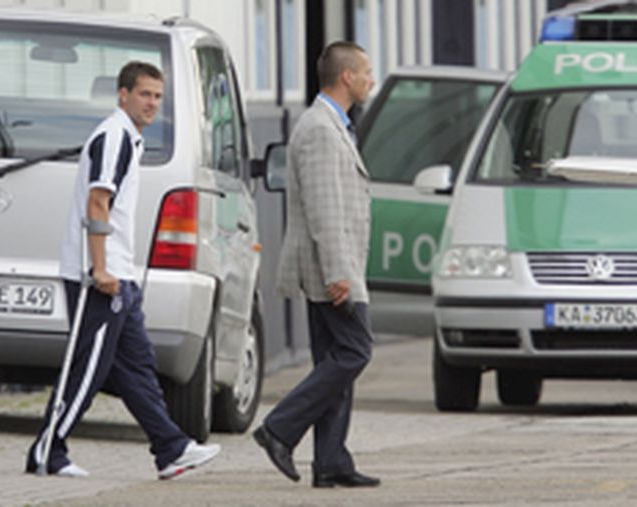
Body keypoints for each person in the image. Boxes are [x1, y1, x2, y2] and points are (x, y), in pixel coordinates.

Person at [26, 61, 219, 479]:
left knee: (137, 365)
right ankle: (47, 451)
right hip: (100, 277)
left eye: (157, 96)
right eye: (144, 94)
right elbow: (98, 203)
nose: (152, 103)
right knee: (89, 368)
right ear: (123, 95)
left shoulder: (128, 139)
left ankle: (170, 449)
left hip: (120, 277)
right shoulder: (113, 137)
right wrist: (101, 269)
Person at [253, 41, 379, 488]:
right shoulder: (322, 130)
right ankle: (279, 429)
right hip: (333, 267)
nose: (371, 79)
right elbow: (326, 211)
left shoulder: (332, 125)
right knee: (355, 351)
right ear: (346, 77)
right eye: (365, 71)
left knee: (333, 357)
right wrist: (338, 273)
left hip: (334, 263)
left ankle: (331, 461)